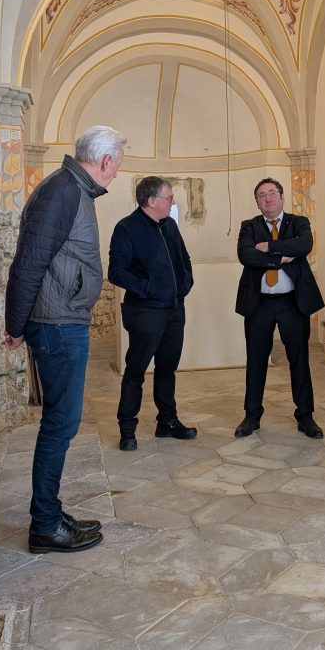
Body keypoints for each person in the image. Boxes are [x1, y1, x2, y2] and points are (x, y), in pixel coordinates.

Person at [4, 125, 126, 553]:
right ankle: (45, 525)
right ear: (105, 160)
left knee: (62, 422)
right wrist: (16, 324)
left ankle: (51, 513)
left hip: (62, 319)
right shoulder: (63, 191)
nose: (117, 172)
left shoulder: (72, 189)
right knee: (60, 424)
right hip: (57, 324)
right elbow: (29, 261)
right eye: (117, 164)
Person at [108, 176, 196, 451]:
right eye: (169, 197)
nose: (172, 202)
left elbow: (184, 259)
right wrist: (149, 289)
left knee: (167, 368)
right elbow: (116, 272)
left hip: (174, 310)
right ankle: (127, 429)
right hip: (145, 311)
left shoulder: (170, 225)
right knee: (135, 370)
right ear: (151, 201)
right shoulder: (126, 228)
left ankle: (167, 421)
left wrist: (184, 285)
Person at [234, 177, 325, 439]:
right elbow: (245, 255)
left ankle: (305, 415)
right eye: (262, 195)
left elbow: (304, 245)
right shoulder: (249, 226)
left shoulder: (299, 222)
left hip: (292, 302)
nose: (268, 199)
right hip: (259, 303)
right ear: (257, 202)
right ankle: (252, 415)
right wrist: (281, 258)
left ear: (282, 197)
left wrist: (268, 247)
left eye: (272, 193)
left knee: (299, 360)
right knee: (256, 360)